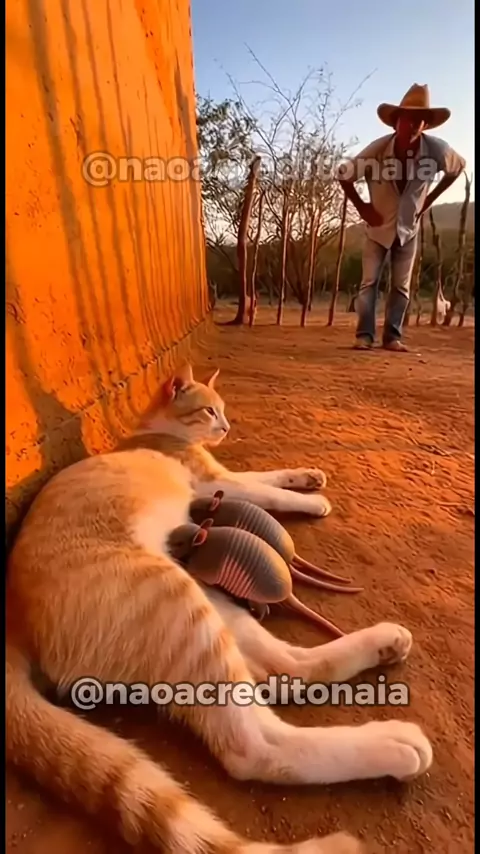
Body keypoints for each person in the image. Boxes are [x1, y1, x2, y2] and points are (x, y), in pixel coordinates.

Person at [337, 84, 466, 351]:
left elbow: (457, 167)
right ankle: (364, 336)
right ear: (396, 121)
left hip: (409, 229)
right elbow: (344, 174)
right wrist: (362, 207)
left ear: (426, 125)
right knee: (369, 283)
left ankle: (392, 337)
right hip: (378, 228)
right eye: (408, 118)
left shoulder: (436, 150)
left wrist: (429, 199)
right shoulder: (378, 149)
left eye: (421, 119)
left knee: (401, 287)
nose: (414, 124)